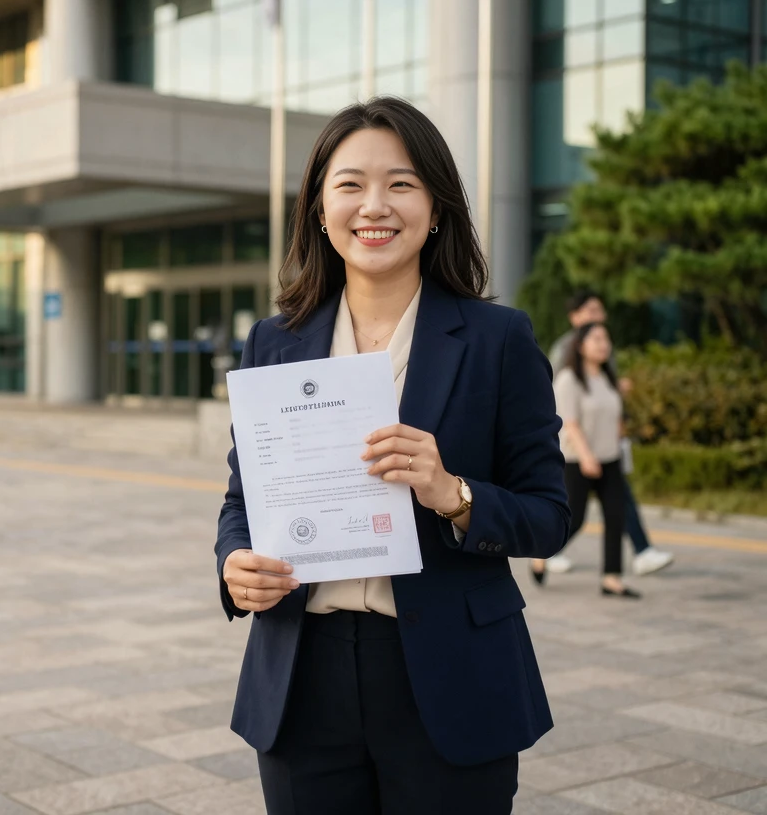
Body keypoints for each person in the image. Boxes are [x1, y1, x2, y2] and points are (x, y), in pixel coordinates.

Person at [215, 97, 571, 815]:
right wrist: (234, 565)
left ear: (435, 207)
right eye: (349, 184)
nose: (374, 205)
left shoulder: (498, 339)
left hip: (451, 675)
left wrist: (455, 494)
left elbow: (550, 514)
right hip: (302, 674)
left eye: (401, 183)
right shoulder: (274, 342)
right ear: (320, 208)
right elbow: (241, 502)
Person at [547, 291, 673, 577]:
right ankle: (546, 552)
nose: (598, 317)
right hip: (579, 453)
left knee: (617, 509)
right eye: (591, 311)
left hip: (607, 450)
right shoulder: (565, 354)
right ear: (575, 317)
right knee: (575, 515)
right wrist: (583, 451)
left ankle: (624, 568)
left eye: (600, 311)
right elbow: (562, 406)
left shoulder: (604, 360)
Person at [531, 323, 639, 598]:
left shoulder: (607, 377)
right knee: (574, 519)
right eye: (597, 339)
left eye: (606, 338)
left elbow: (615, 416)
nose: (604, 344)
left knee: (616, 517)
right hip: (579, 461)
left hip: (610, 458)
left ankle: (612, 579)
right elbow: (571, 423)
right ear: (581, 346)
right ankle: (541, 554)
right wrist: (587, 456)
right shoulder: (569, 379)